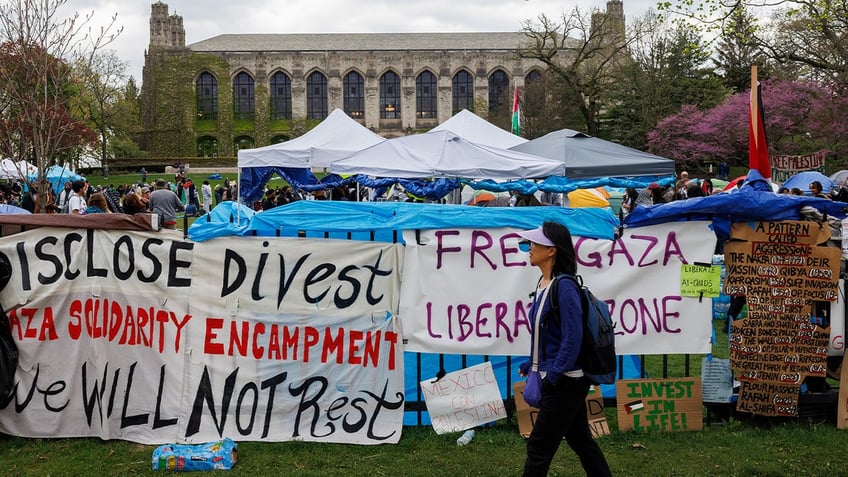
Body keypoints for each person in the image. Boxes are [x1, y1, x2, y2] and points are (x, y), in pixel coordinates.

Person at [516, 222, 612, 477]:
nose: (530, 248)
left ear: (552, 251)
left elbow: (573, 338)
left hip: (566, 381)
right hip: (559, 377)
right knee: (580, 439)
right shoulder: (543, 284)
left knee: (538, 446)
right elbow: (547, 334)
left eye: (535, 243)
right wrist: (532, 364)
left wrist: (554, 375)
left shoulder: (565, 286)